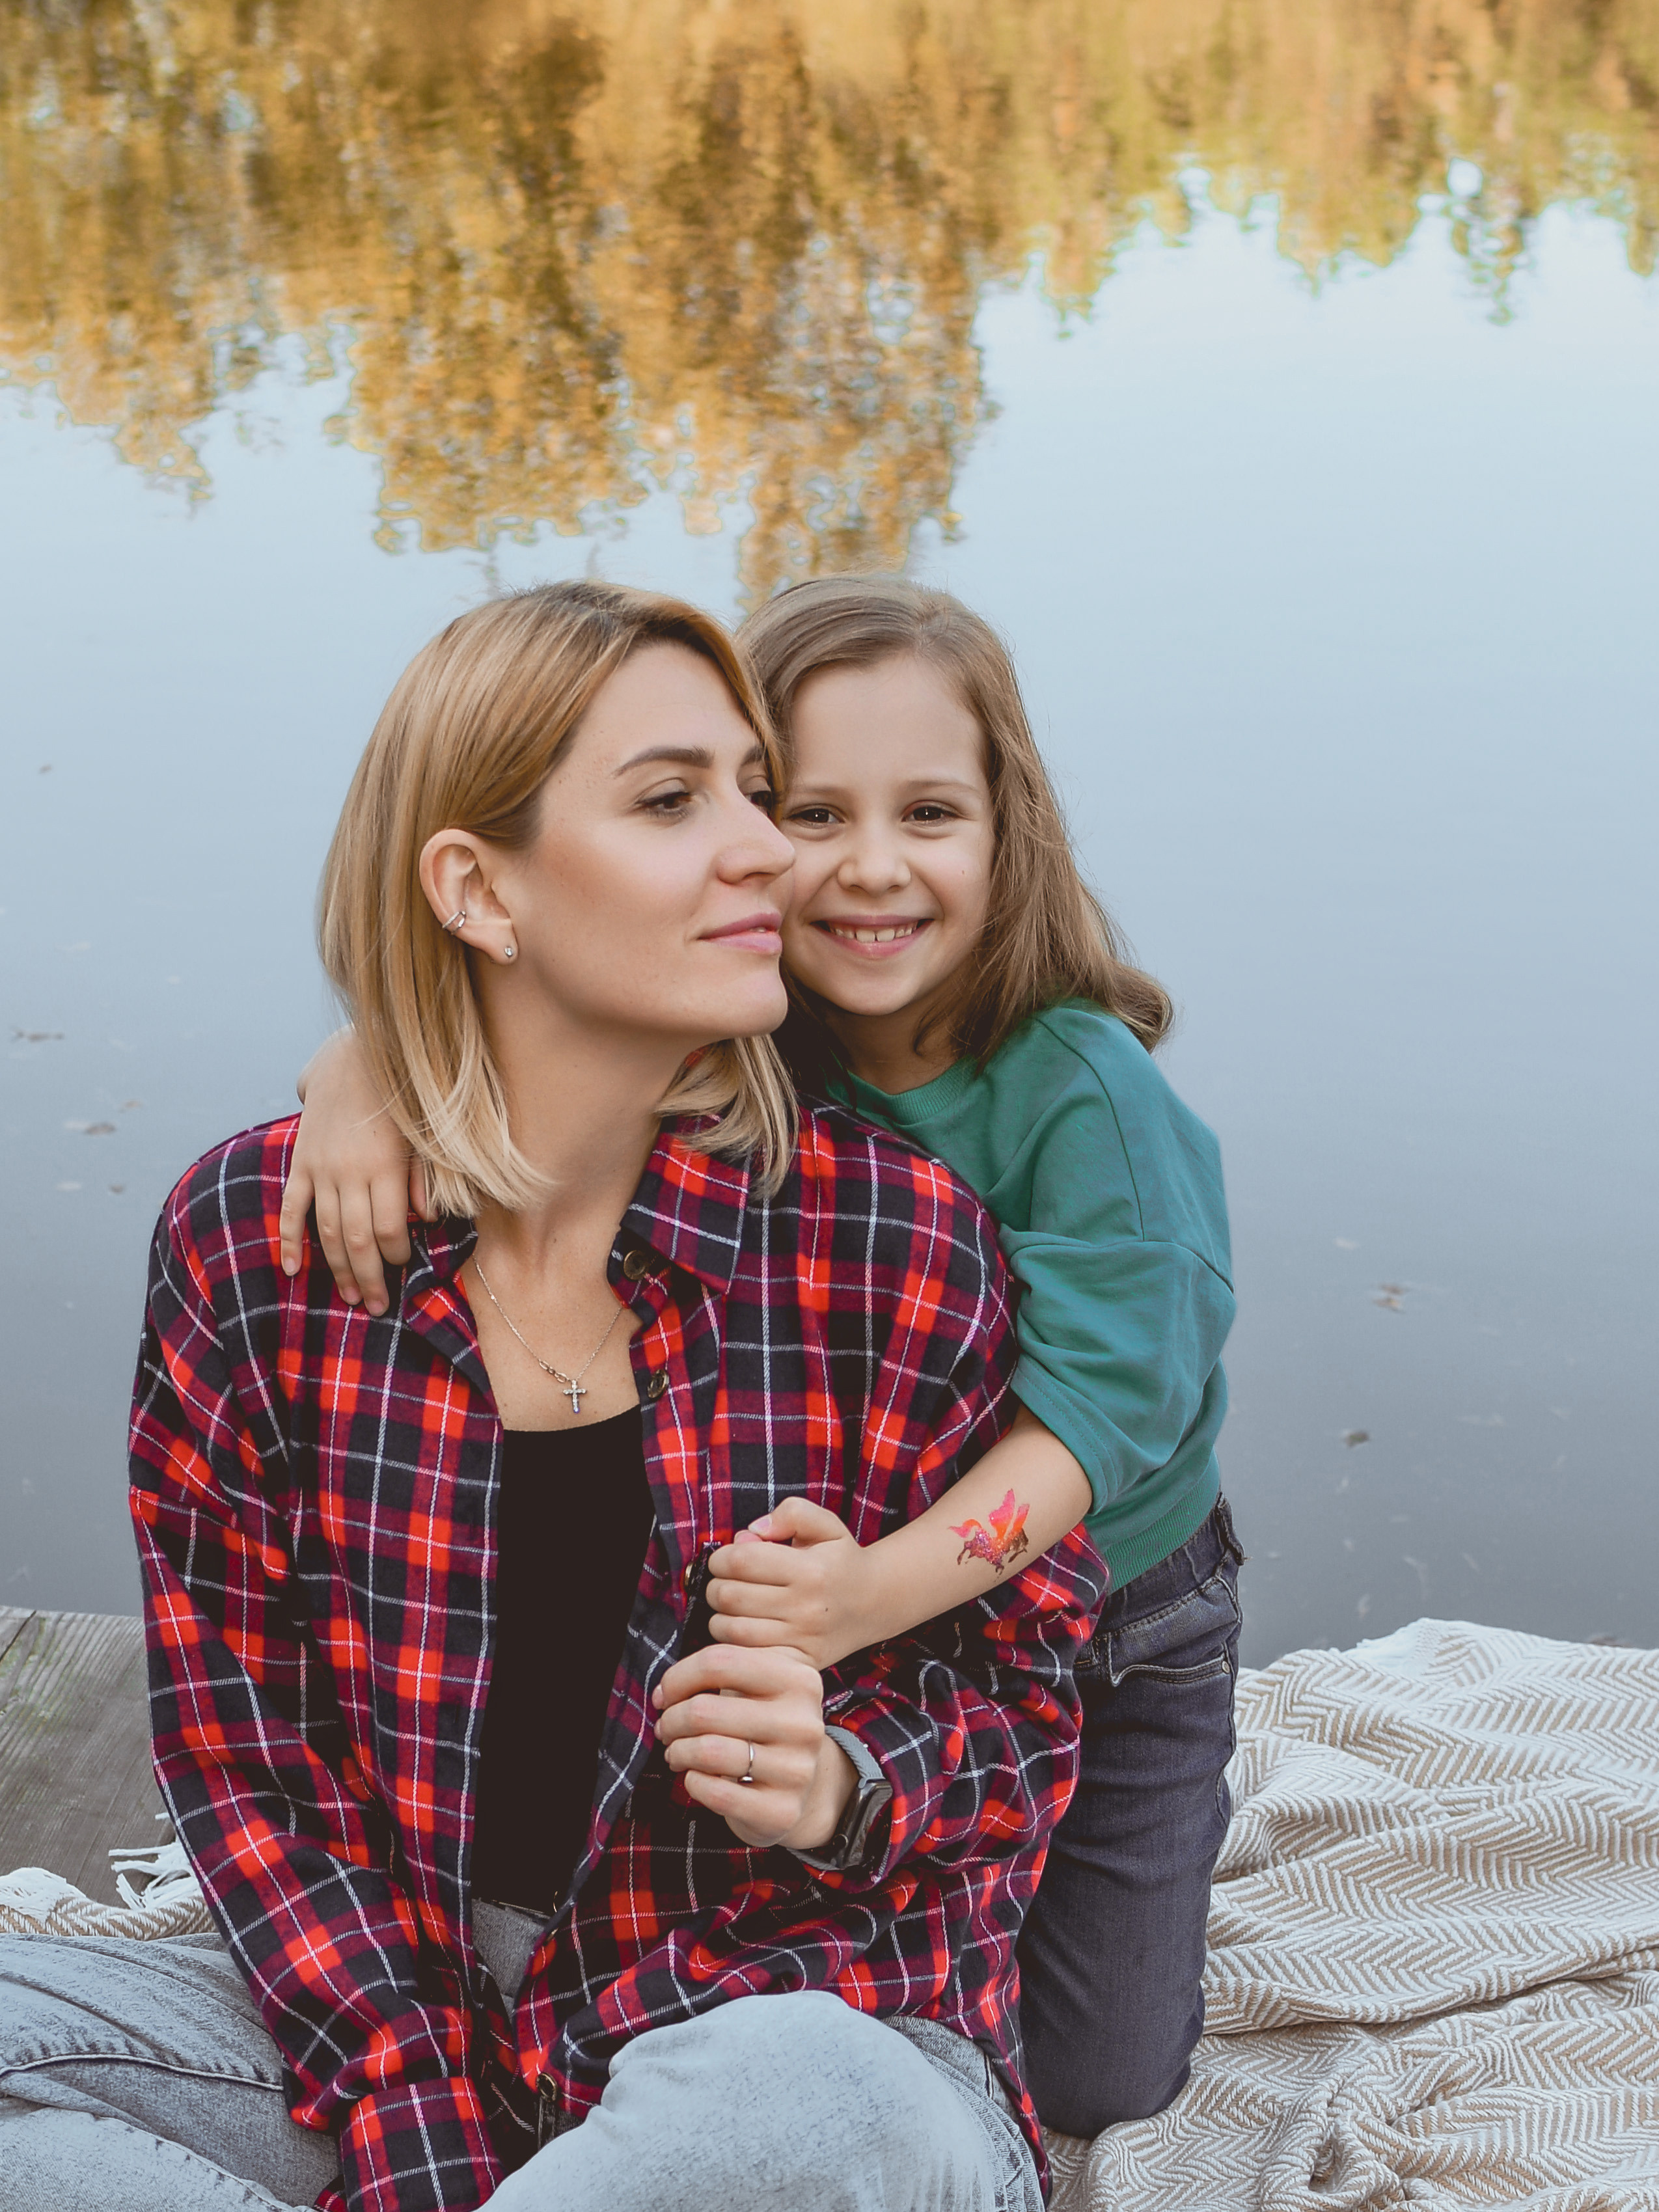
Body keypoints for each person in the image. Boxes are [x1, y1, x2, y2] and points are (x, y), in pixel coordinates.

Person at [0, 581, 1103, 2212]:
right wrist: (413, 2116)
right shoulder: (255, 1243)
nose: (770, 851)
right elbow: (246, 1753)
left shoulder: (892, 1235)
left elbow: (1029, 1694)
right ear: (478, 888)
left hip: (774, 2013)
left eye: (751, 786)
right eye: (675, 800)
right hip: (398, 2001)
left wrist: (845, 1784)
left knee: (815, 2111)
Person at [286, 575, 1243, 2145]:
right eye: (809, 810)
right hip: (868, 1576)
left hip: (1119, 1606)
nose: (870, 868)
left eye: (931, 811)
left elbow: (1091, 1431)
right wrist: (363, 1063)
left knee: (1099, 2071)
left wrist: (869, 1595)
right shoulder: (756, 1019)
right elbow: (518, 1012)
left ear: (1011, 831)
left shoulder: (1087, 1100)